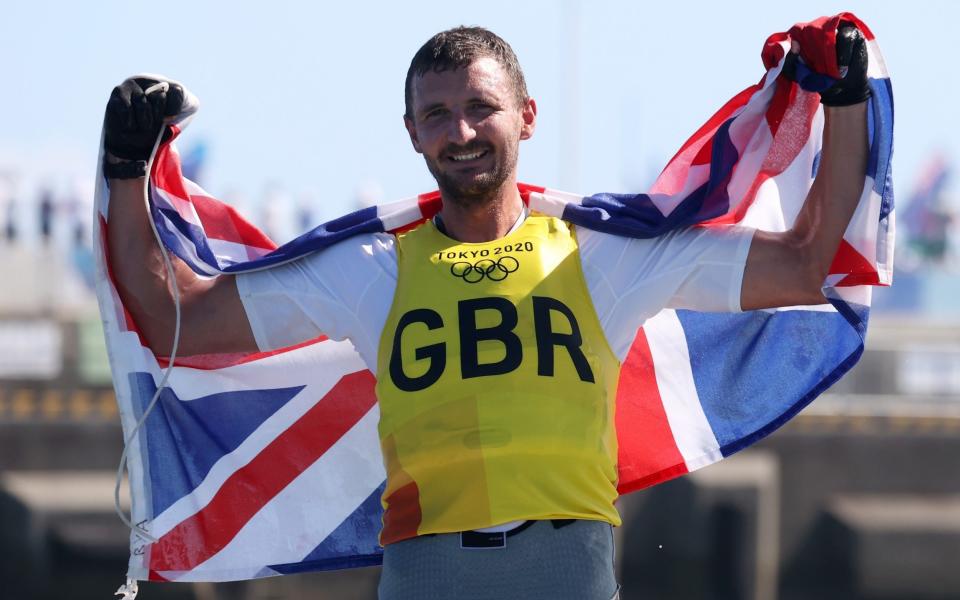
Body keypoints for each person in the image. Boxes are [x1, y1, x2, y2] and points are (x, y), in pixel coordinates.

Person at [103, 25, 869, 600]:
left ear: (527, 116)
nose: (460, 131)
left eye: (481, 107)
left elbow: (807, 262)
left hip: (570, 569)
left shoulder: (605, 253)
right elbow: (178, 319)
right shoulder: (368, 269)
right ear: (412, 134)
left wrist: (844, 101)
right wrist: (127, 168)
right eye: (436, 115)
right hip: (427, 568)